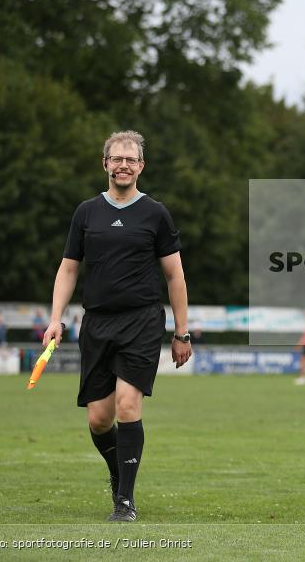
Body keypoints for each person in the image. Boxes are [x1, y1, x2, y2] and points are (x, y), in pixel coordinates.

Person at [42, 130, 192, 523]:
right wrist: (55, 318)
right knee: (98, 419)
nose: (123, 165)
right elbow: (68, 269)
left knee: (128, 404)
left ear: (141, 166)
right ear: (105, 163)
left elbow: (175, 276)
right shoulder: (86, 213)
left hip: (142, 321)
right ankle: (118, 474)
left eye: (131, 159)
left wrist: (181, 332)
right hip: (97, 323)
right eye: (117, 158)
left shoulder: (155, 213)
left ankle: (124, 501)